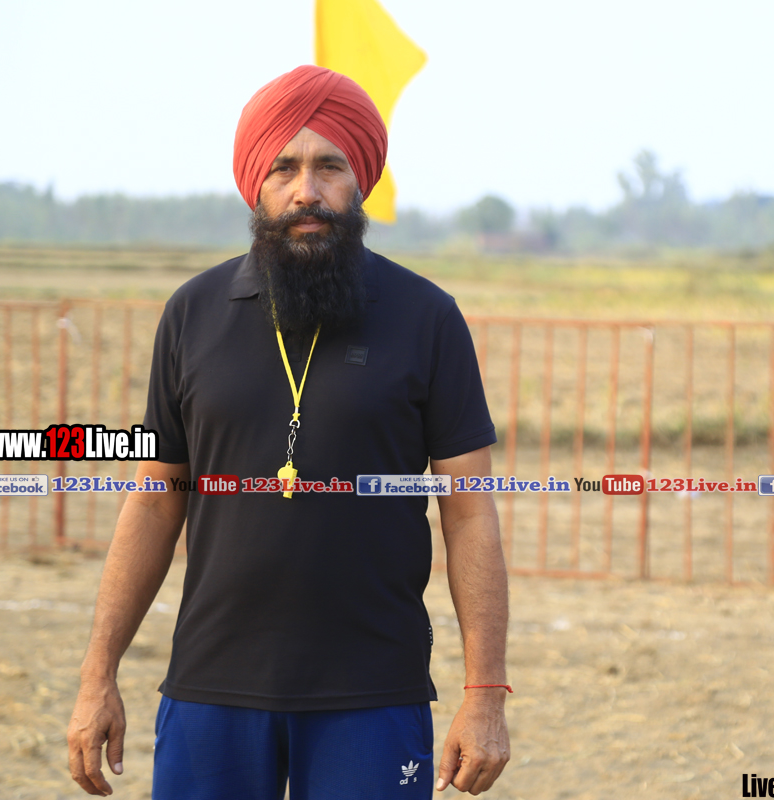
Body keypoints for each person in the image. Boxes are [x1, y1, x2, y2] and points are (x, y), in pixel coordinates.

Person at [66, 65, 510, 799]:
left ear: (360, 180)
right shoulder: (192, 313)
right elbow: (152, 502)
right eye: (285, 168)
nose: (307, 191)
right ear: (257, 185)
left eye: (329, 166)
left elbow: (469, 512)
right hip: (211, 686)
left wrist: (486, 692)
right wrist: (96, 676)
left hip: (374, 690)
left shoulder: (426, 316)